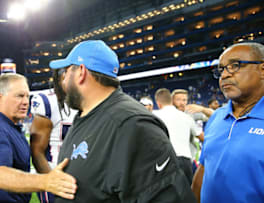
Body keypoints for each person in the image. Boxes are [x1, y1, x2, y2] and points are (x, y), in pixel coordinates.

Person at [49, 40, 196, 203]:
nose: (63, 80)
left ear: (81, 71)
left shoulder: (133, 125)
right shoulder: (86, 115)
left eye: (67, 71)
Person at [0, 73, 77, 203]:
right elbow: (0, 176)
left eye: (27, 96)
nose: (25, 102)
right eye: (19, 96)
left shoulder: (10, 125)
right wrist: (47, 180)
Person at [192, 42, 264, 203]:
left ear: (262, 70)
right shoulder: (217, 117)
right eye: (222, 69)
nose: (224, 75)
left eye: (235, 65)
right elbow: (205, 168)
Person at [30, 88, 76, 203]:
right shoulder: (49, 102)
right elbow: (37, 152)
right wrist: (51, 181)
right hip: (55, 174)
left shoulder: (92, 99)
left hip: (85, 178)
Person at [153, 88, 202, 184]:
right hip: (185, 161)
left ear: (158, 103)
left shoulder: (154, 115)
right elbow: (203, 137)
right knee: (188, 194)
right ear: (171, 101)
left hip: (165, 160)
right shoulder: (187, 117)